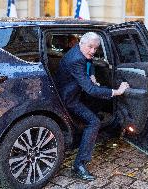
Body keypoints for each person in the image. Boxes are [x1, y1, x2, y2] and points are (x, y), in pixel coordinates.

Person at [55, 32, 129, 181]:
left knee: (99, 100)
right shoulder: (76, 59)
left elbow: (90, 62)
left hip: (73, 90)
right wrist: (118, 91)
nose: (93, 51)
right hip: (68, 99)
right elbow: (91, 89)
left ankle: (84, 122)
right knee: (94, 122)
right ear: (81, 43)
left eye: (96, 48)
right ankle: (79, 165)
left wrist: (92, 75)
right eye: (90, 47)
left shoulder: (79, 51)